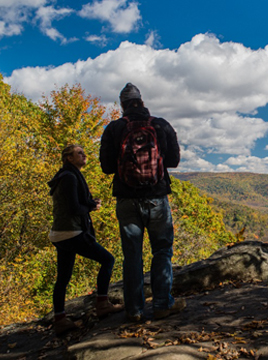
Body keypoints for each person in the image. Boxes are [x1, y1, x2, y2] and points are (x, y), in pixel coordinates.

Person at [99, 83, 184, 322]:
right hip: (157, 198)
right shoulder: (160, 125)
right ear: (142, 101)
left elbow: (106, 168)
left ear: (123, 105)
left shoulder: (114, 128)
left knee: (132, 256)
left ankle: (134, 311)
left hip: (126, 200)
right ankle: (162, 305)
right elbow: (175, 161)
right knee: (162, 251)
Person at [47, 144, 123, 335]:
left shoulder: (63, 176)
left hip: (59, 233)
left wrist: (89, 203)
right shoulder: (71, 178)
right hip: (72, 232)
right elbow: (74, 208)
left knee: (63, 278)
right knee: (108, 260)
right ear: (69, 158)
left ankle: (60, 318)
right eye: (79, 153)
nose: (83, 155)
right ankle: (103, 304)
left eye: (83, 152)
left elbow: (73, 203)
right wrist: (91, 208)